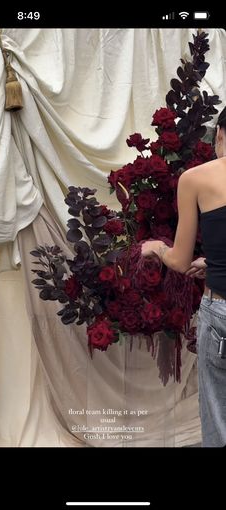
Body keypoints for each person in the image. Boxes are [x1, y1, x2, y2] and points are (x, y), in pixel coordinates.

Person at [141, 107, 226, 447]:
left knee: (219, 420)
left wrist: (156, 249)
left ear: (220, 133)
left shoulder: (196, 179)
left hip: (221, 314)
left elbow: (178, 260)